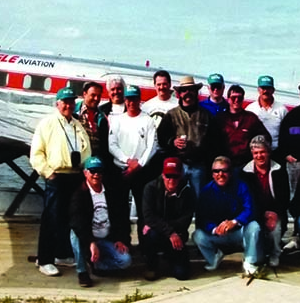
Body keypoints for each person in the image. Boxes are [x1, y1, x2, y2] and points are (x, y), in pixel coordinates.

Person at [30, 87, 92, 277]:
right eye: (64, 102)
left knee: (69, 217)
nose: (68, 105)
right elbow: (36, 153)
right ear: (57, 103)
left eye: (71, 102)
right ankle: (44, 259)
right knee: (51, 218)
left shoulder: (76, 124)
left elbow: (87, 149)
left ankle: (62, 253)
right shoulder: (47, 124)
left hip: (74, 175)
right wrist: (48, 173)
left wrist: (85, 172)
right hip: (56, 175)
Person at [193, 156, 263, 275]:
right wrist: (215, 229)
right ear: (212, 174)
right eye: (216, 171)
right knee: (197, 235)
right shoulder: (206, 191)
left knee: (254, 226)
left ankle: (250, 261)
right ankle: (214, 257)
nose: (220, 174)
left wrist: (234, 221)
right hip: (220, 233)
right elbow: (202, 218)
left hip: (238, 231)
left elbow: (250, 209)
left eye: (224, 171)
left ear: (230, 172)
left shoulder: (241, 186)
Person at [70, 157, 132, 287]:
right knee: (74, 234)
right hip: (89, 238)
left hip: (106, 237)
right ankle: (82, 272)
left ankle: (96, 265)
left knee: (125, 261)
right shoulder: (79, 194)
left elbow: (120, 217)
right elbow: (77, 222)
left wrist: (120, 238)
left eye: (99, 171)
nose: (96, 174)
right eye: (92, 171)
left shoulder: (111, 191)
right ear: (85, 173)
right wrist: (90, 242)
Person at [108, 85, 158, 245]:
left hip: (141, 172)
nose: (131, 102)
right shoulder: (117, 120)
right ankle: (123, 242)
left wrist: (139, 165)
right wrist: (127, 161)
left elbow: (152, 146)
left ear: (139, 100)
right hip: (121, 170)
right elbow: (112, 144)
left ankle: (145, 246)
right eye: (128, 99)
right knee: (119, 210)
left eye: (134, 98)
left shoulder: (148, 120)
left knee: (144, 211)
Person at [157, 76, 220, 197]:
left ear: (196, 92)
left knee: (199, 200)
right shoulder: (171, 114)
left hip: (199, 166)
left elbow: (215, 141)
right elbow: (161, 137)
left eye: (191, 89)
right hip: (177, 166)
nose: (188, 93)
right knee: (176, 198)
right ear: (179, 94)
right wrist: (172, 142)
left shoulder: (206, 115)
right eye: (184, 90)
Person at [142, 157, 196, 281]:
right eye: (168, 176)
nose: (171, 180)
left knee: (183, 275)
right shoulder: (150, 188)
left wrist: (164, 227)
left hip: (178, 233)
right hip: (161, 233)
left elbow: (185, 221)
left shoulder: (187, 192)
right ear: (162, 175)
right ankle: (151, 266)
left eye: (175, 176)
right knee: (150, 233)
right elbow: (148, 216)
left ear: (181, 176)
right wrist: (170, 232)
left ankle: (171, 258)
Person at [240, 135, 289, 268]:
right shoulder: (245, 173)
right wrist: (262, 214)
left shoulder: (279, 170)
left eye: (262, 152)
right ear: (252, 154)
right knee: (259, 257)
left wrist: (275, 213)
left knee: (275, 227)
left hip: (275, 210)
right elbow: (246, 200)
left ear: (268, 152)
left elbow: (284, 197)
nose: (259, 156)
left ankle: (275, 253)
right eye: (256, 153)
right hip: (255, 212)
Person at [216, 85, 270, 173]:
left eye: (239, 98)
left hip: (246, 165)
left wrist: (256, 151)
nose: (236, 100)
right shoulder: (220, 119)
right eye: (234, 98)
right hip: (225, 165)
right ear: (228, 99)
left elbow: (265, 137)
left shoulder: (251, 118)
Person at [245, 75, 288, 159]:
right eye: (263, 88)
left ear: (273, 90)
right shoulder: (250, 109)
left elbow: (286, 135)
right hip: (256, 154)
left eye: (268, 88)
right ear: (258, 89)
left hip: (276, 153)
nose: (265, 91)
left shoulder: (282, 109)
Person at [76, 81, 110, 167]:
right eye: (93, 95)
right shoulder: (74, 112)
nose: (96, 99)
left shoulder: (102, 117)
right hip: (75, 163)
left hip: (92, 166)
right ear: (84, 94)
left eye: (98, 96)